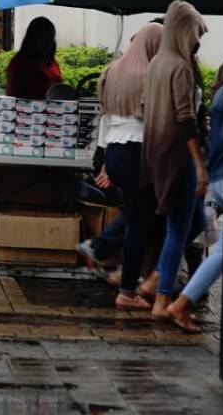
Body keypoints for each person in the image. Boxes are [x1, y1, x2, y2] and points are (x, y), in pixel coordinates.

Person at [80, 22, 165, 310]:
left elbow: (104, 115)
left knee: (139, 215)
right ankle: (127, 290)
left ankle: (120, 270)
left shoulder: (113, 70)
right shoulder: (150, 74)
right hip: (138, 152)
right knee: (142, 222)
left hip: (115, 151)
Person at [141, 0, 208, 322]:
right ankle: (162, 297)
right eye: (195, 33)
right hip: (179, 157)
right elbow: (185, 119)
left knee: (193, 222)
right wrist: (199, 164)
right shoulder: (179, 67)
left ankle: (156, 279)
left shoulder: (156, 63)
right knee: (179, 229)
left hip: (157, 153)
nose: (197, 40)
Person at [166, 59, 223, 333]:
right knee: (222, 248)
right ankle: (182, 301)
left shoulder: (221, 94)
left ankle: (180, 296)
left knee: (195, 233)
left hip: (218, 175)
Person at [4, 16, 62, 100]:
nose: (48, 44)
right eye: (44, 39)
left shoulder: (52, 62)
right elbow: (12, 95)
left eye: (51, 39)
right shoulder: (20, 63)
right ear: (32, 39)